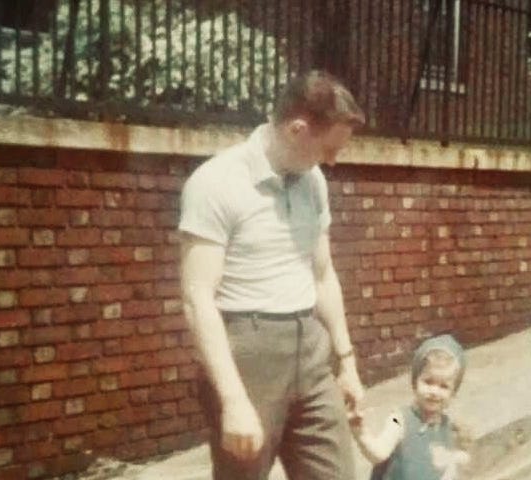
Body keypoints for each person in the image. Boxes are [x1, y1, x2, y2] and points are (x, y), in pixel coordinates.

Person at [178, 70, 366, 480]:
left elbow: (322, 274)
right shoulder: (215, 183)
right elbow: (198, 299)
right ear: (298, 129)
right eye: (329, 148)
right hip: (248, 354)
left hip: (311, 352)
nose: (334, 160)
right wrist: (232, 399)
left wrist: (346, 360)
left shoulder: (313, 181)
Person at [349, 335, 471, 480]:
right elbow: (378, 453)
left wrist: (458, 459)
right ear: (415, 382)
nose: (434, 392)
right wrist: (361, 433)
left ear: (453, 393)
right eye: (428, 382)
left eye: (443, 386)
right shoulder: (399, 420)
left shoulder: (448, 428)